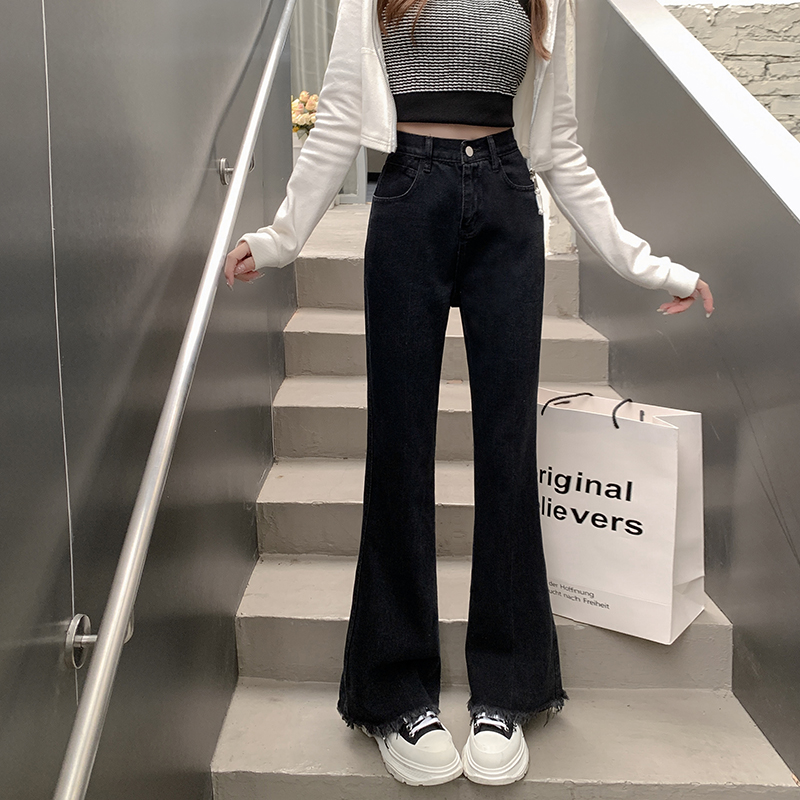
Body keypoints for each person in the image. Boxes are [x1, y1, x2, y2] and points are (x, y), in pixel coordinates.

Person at [225, 0, 715, 787]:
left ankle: (507, 690)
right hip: (408, 198)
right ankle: (396, 693)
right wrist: (279, 238)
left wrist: (649, 266)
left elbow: (559, 146)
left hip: (507, 200)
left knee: (508, 452)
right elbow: (341, 113)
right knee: (398, 449)